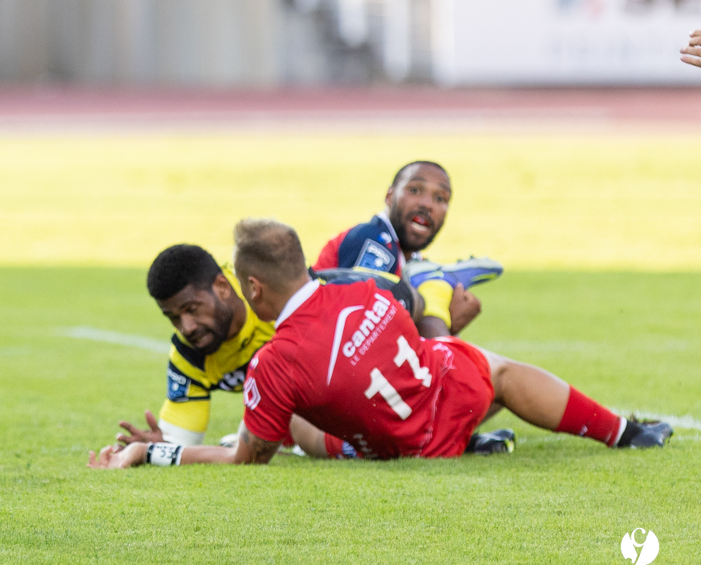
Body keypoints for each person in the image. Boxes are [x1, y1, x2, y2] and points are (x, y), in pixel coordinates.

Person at [88, 219, 671, 469]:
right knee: (493, 368)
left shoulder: (272, 362)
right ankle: (624, 433)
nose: (186, 326)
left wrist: (153, 454)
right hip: (443, 393)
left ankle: (464, 435)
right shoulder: (364, 286)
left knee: (294, 422)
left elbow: (247, 459)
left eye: (190, 309)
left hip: (397, 445)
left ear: (246, 287)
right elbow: (407, 309)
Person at [314, 160, 501, 338]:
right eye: (414, 190)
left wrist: (446, 323)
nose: (427, 204)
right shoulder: (374, 240)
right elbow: (356, 328)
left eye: (440, 198)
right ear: (389, 196)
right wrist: (439, 319)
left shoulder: (414, 261)